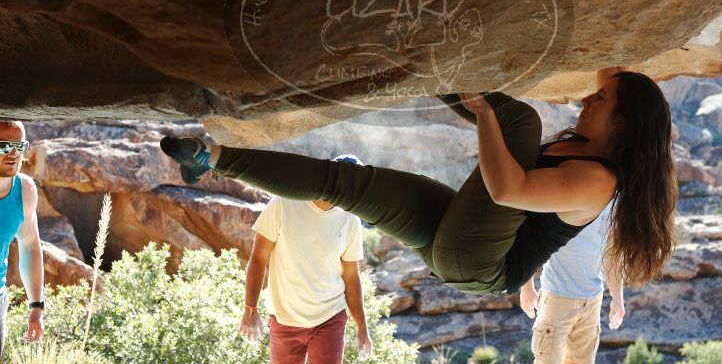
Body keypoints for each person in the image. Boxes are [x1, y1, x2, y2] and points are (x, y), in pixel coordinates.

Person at [161, 66, 676, 296]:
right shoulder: (584, 151)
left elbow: (507, 191)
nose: (587, 99)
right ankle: (211, 157)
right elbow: (615, 69)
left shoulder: (597, 181)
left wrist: (485, 115)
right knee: (347, 183)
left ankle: (433, 62)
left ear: (626, 123)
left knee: (520, 122)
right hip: (459, 243)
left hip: (480, 263)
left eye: (600, 100)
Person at [238, 154, 372, 364]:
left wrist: (362, 326)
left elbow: (351, 276)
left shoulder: (350, 218)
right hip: (285, 318)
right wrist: (251, 309)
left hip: (329, 317)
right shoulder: (284, 203)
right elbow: (259, 259)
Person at [520, 198, 624, 364]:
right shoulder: (569, 190)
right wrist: (527, 287)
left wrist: (618, 298)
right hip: (557, 298)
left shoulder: (615, 199)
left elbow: (612, 254)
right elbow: (530, 237)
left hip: (592, 299)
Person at [0, 121, 45, 357]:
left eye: (19, 146)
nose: (14, 154)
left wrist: (36, 306)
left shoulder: (24, 190)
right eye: (4, 146)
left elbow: (29, 246)